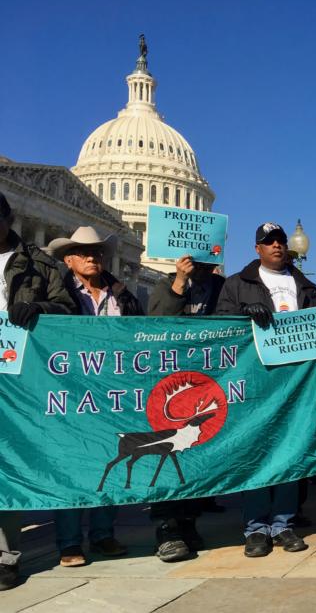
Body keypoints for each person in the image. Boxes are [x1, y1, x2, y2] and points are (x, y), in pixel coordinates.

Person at [216, 222, 316, 556]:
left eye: (280, 241)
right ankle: (256, 526)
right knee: (258, 451)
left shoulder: (306, 285)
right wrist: (243, 315)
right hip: (257, 380)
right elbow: (221, 324)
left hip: (296, 380)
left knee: (291, 449)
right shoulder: (237, 284)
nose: (277, 246)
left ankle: (283, 523)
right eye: (268, 241)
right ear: (257, 249)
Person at [46, 227, 140, 567]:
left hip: (112, 393)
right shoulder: (57, 295)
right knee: (70, 464)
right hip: (69, 391)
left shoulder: (122, 295)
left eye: (97, 252)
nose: (91, 257)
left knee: (109, 462)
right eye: (83, 252)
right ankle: (69, 542)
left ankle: (103, 534)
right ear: (68, 259)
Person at [0, 192, 76, 590]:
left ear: (8, 218)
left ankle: (4, 556)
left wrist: (39, 310)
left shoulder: (40, 263)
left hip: (18, 375)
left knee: (7, 465)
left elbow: (69, 311)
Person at [147, 254, 226, 562]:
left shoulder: (223, 287)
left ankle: (189, 521)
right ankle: (168, 527)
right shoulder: (166, 284)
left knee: (196, 452)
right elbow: (156, 319)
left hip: (209, 379)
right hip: (170, 380)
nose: (202, 267)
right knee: (168, 452)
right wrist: (180, 281)